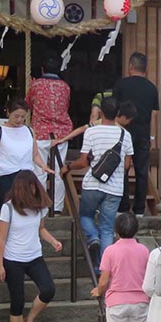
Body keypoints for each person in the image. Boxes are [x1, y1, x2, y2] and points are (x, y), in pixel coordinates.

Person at [0, 170, 62, 322]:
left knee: (48, 289)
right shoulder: (7, 208)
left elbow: (41, 229)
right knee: (18, 300)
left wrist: (53, 240)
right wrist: (0, 264)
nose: (33, 189)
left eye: (34, 186)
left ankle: (30, 319)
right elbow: (1, 239)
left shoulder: (39, 208)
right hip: (12, 258)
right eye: (30, 186)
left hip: (34, 256)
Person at [64, 96, 135, 272]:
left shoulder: (91, 132)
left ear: (101, 112)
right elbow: (127, 165)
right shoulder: (125, 135)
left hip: (92, 185)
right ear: (118, 113)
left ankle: (92, 237)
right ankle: (103, 268)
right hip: (115, 187)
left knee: (85, 216)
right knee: (107, 227)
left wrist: (68, 167)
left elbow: (82, 162)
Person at [0, 98, 51, 226]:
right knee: (3, 213)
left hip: (26, 176)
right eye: (16, 116)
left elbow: (35, 155)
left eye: (22, 117)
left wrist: (43, 165)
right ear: (8, 112)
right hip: (5, 176)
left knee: (25, 211)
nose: (19, 120)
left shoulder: (30, 131)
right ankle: (1, 241)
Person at [26, 54, 74, 213]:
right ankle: (58, 206)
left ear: (42, 69)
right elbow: (66, 106)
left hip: (40, 131)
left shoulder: (36, 85)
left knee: (39, 169)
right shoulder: (66, 87)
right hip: (61, 133)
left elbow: (29, 104)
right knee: (59, 170)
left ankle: (40, 205)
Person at [114, 52, 159, 215]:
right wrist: (152, 136)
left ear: (131, 66)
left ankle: (122, 207)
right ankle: (139, 209)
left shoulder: (121, 85)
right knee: (141, 171)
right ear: (145, 69)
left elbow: (115, 110)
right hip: (143, 134)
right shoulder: (152, 88)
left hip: (122, 133)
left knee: (121, 169)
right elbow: (153, 114)